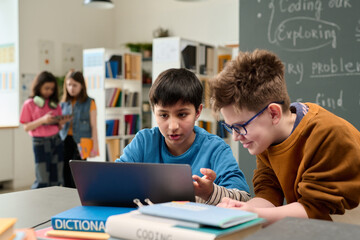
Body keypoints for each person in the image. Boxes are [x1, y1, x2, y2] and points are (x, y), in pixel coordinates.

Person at [210, 49, 360, 225]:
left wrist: (254, 214)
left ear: (273, 113)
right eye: (230, 127)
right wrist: (240, 210)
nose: (235, 137)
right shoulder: (267, 138)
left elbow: (315, 210)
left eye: (240, 126)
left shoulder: (328, 134)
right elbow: (269, 194)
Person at [116, 68, 250, 205]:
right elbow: (113, 180)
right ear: (153, 112)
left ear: (198, 112)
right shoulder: (144, 141)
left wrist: (210, 192)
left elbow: (244, 198)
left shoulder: (216, 148)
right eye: (163, 115)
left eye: (182, 114)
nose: (173, 126)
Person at [20, 71, 70, 188]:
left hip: (56, 141)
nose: (49, 91)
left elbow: (58, 126)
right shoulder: (29, 104)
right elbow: (26, 127)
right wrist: (43, 120)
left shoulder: (54, 104)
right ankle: (38, 204)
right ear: (38, 87)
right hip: (40, 142)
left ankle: (54, 204)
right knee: (42, 179)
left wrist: (60, 123)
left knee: (56, 178)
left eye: (52, 89)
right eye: (46, 88)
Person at [60, 70, 99, 188]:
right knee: (65, 172)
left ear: (82, 85)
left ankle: (78, 198)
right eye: (69, 85)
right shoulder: (64, 103)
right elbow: (59, 125)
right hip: (65, 140)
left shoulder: (90, 102)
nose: (71, 88)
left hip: (82, 142)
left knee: (78, 174)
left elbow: (93, 126)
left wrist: (95, 146)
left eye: (75, 85)